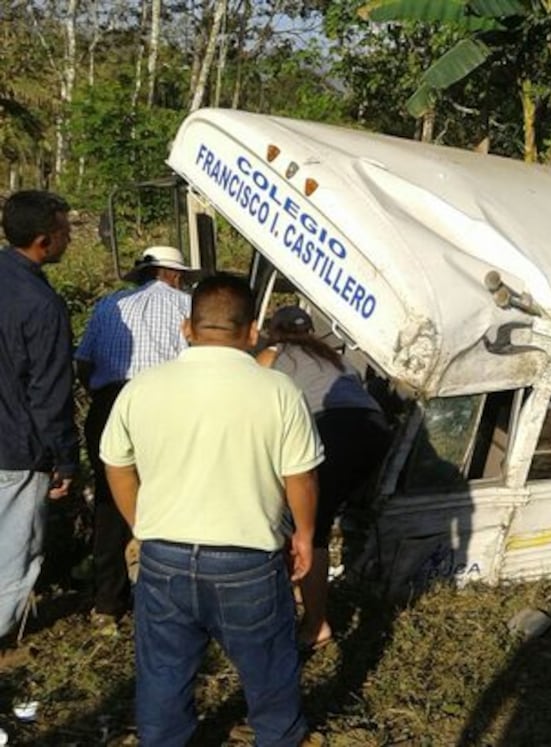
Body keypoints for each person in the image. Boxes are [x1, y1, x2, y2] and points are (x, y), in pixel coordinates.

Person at [100, 274, 323, 746]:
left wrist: (140, 524)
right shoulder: (278, 391)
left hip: (165, 558)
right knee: (269, 677)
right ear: (252, 331)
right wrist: (303, 534)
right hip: (247, 563)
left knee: (163, 677)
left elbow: (116, 464)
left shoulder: (143, 387)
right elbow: (300, 476)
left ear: (187, 327)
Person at [256, 305, 392, 650]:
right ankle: (309, 594)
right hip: (374, 432)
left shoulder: (274, 354)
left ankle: (316, 625)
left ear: (274, 331)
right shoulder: (334, 357)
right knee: (320, 512)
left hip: (333, 429)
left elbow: (250, 401)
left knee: (305, 526)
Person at [75, 245, 195, 623]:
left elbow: (84, 363)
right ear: (173, 275)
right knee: (168, 496)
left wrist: (103, 398)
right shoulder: (185, 306)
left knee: (109, 501)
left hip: (109, 403)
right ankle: (163, 598)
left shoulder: (109, 306)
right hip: (162, 403)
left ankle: (107, 602)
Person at [0, 190, 77, 640]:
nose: (69, 239)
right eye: (65, 232)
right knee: (12, 554)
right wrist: (64, 459)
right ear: (44, 241)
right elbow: (49, 392)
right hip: (15, 449)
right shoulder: (42, 306)